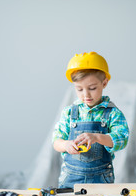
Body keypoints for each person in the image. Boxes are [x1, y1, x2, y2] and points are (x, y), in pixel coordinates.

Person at [53, 52, 129, 188]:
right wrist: (66, 145)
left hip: (101, 178)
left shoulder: (113, 113)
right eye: (79, 89)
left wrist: (97, 137)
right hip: (70, 179)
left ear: (104, 83)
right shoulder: (69, 113)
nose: (86, 94)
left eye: (92, 88)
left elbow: (122, 139)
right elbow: (56, 141)